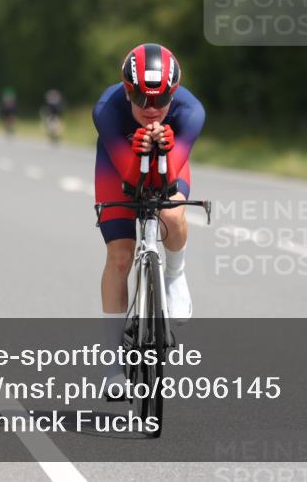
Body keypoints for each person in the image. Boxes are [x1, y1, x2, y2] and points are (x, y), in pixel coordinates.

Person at [93, 44, 204, 382]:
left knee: (171, 213)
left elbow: (169, 179)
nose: (151, 108)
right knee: (120, 256)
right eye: (141, 99)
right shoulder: (106, 110)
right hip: (117, 167)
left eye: (159, 100)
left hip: (170, 164)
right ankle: (114, 366)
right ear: (127, 93)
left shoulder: (190, 112)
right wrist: (139, 146)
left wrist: (165, 149)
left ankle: (174, 275)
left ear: (175, 93)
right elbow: (129, 176)